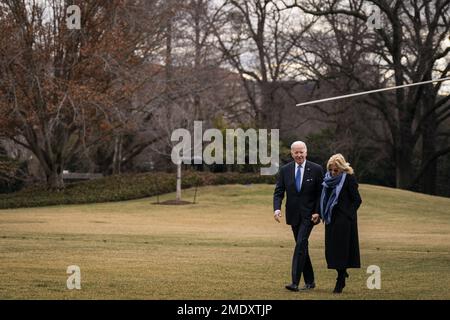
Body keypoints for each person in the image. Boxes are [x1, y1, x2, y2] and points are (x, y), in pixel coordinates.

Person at [273, 141, 324, 292]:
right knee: (302, 246)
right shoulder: (285, 170)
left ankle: (294, 282)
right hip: (293, 215)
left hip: (310, 215)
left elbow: (321, 193)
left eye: (301, 152)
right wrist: (277, 209)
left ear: (306, 152)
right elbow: (279, 191)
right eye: (296, 152)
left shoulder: (316, 169)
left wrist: (318, 211)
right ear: (292, 153)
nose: (299, 155)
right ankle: (310, 281)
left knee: (301, 243)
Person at [320, 153, 362, 294]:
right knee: (332, 250)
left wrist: (348, 215)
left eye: (335, 170)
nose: (332, 173)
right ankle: (342, 273)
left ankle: (340, 279)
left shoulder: (348, 179)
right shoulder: (327, 180)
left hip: (344, 221)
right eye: (330, 169)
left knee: (341, 250)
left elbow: (357, 200)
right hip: (331, 219)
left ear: (342, 168)